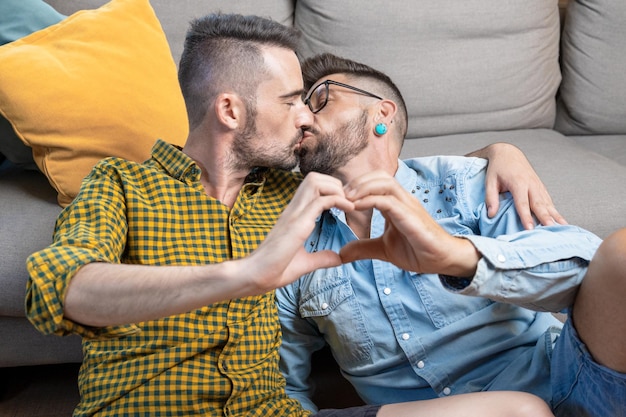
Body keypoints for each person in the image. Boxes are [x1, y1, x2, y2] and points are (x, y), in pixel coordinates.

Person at [25, 13, 557, 417]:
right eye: (291, 102)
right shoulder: (122, 184)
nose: (306, 119)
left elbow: (389, 169)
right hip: (148, 408)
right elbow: (60, 288)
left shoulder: (296, 190)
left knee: (519, 410)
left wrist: (498, 151)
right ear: (231, 111)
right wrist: (242, 276)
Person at [276, 52, 626, 417]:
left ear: (382, 113)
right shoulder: (298, 244)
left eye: (319, 100)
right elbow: (284, 387)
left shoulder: (459, 183)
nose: (302, 117)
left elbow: (587, 268)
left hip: (566, 383)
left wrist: (456, 257)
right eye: (296, 109)